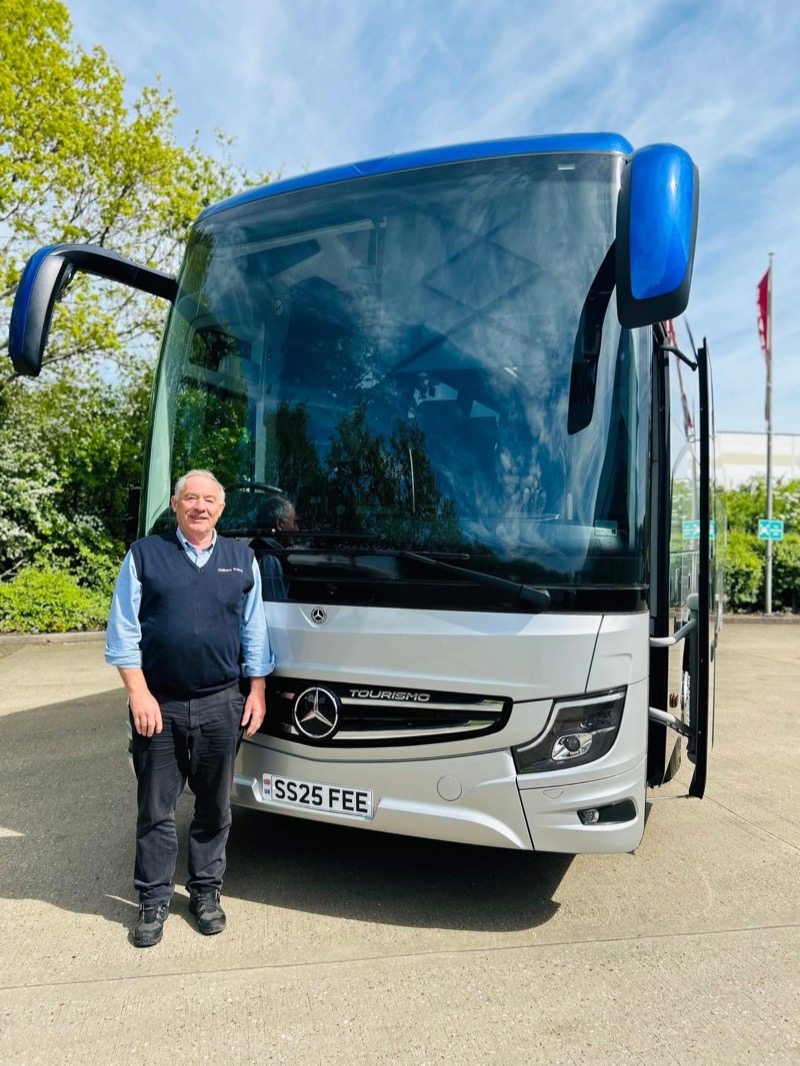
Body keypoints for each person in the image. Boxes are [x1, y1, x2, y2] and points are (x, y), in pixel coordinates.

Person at [105, 469, 274, 948]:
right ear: (176, 506)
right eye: (191, 499)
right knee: (156, 810)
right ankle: (154, 899)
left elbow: (254, 631)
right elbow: (123, 633)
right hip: (159, 705)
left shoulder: (242, 560)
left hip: (223, 703)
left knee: (215, 806)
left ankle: (205, 892)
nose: (200, 507)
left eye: (209, 500)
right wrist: (138, 693)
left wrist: (256, 690)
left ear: (221, 509)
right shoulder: (145, 555)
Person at [252, 493, 299, 601]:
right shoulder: (268, 559)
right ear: (280, 524)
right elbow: (275, 607)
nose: (297, 529)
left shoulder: (261, 551)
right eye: (294, 523)